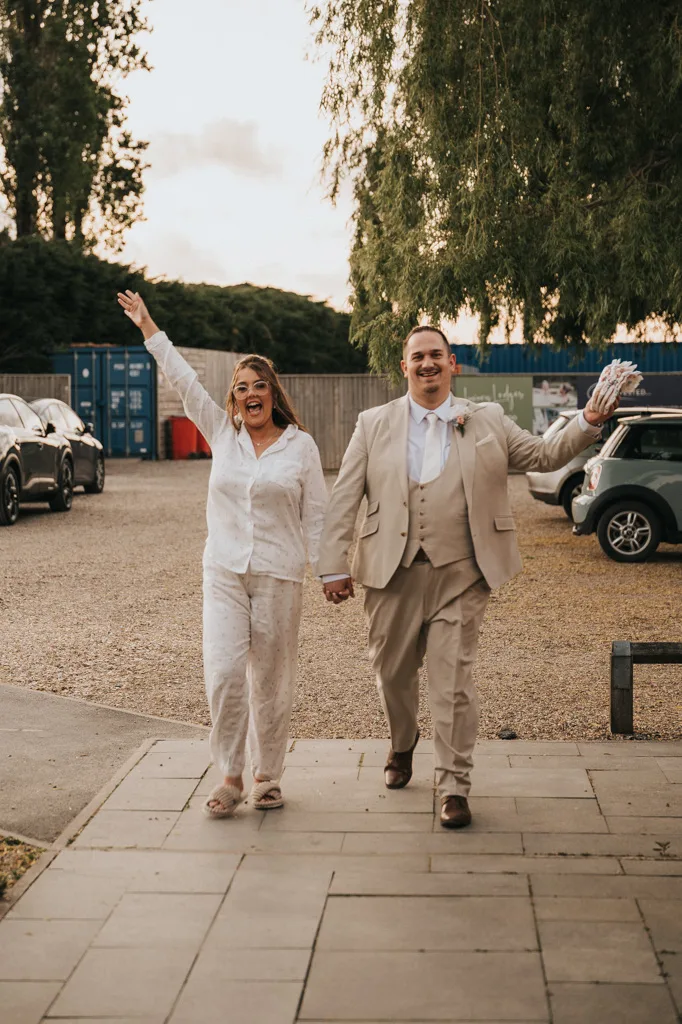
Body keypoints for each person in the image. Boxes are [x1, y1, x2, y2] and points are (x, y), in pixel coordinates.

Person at [318, 325, 616, 829]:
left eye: (437, 355)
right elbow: (346, 495)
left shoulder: (488, 419)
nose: (427, 364)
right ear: (404, 366)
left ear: (452, 363)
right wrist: (332, 564)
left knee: (452, 681)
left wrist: (587, 422)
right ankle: (403, 741)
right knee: (391, 674)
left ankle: (453, 784)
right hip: (390, 573)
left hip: (463, 572)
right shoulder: (373, 423)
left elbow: (542, 456)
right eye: (418, 357)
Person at [117, 290, 328, 818]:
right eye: (241, 388)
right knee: (225, 671)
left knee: (273, 679)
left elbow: (317, 515)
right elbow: (183, 378)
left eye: (259, 386)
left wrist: (332, 571)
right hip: (224, 572)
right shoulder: (222, 432)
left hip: (280, 573)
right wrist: (148, 326)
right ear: (233, 400)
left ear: (272, 394)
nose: (251, 394)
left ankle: (266, 776)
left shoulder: (300, 446)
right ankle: (231, 774)